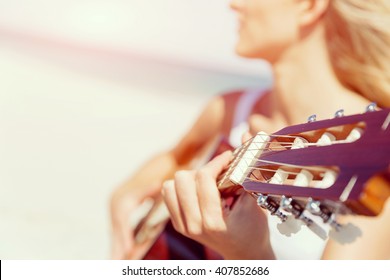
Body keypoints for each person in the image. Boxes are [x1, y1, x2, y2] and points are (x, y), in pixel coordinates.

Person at [111, 0, 390, 259]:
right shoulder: (229, 108)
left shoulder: (376, 157)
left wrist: (249, 256)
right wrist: (126, 193)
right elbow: (174, 158)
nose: (233, 4)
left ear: (309, 5)